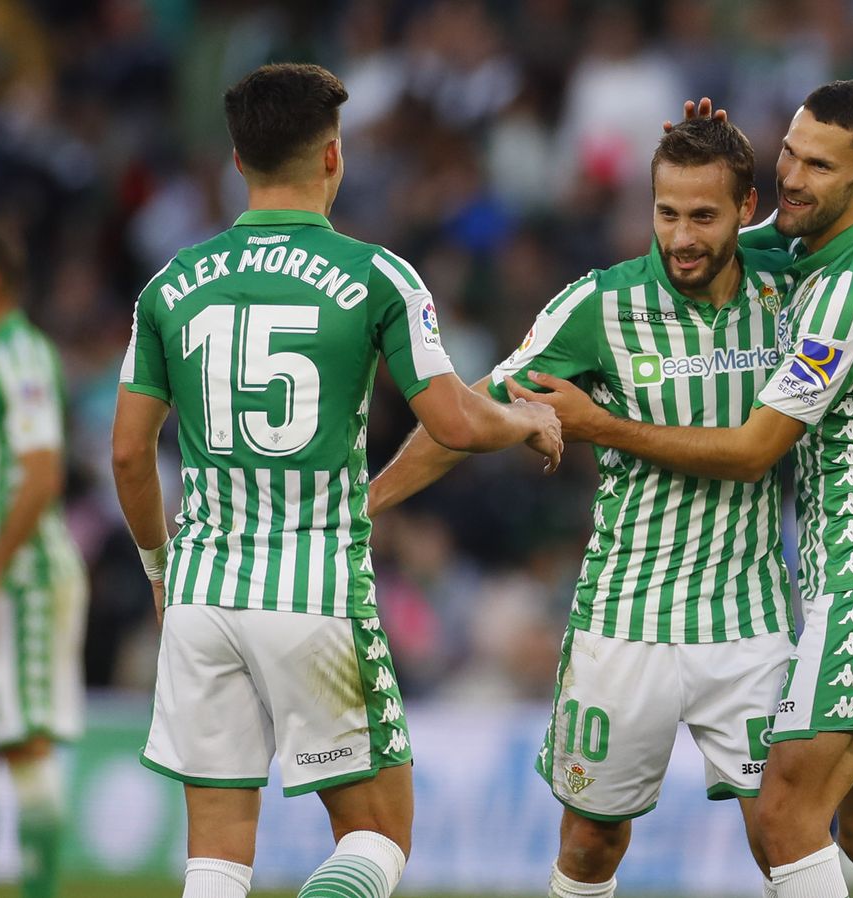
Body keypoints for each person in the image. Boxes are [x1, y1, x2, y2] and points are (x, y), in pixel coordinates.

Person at [367, 114, 853, 898]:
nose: (680, 236)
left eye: (703, 216)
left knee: (782, 826)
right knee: (590, 843)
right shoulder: (597, 306)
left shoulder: (791, 280)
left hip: (748, 622)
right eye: (665, 212)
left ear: (748, 209)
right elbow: (467, 416)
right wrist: (365, 505)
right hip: (624, 618)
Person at [111, 63, 561, 898]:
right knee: (379, 834)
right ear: (333, 158)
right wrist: (523, 418)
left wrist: (158, 570)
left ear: (238, 163)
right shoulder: (378, 274)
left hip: (202, 593)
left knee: (214, 860)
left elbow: (132, 455)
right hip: (315, 593)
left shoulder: (168, 286)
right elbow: (455, 421)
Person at [0, 226, 88, 898]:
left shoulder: (17, 353)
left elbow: (42, 472)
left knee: (24, 739)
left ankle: (41, 890)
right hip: (2, 575)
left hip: (20, 576)